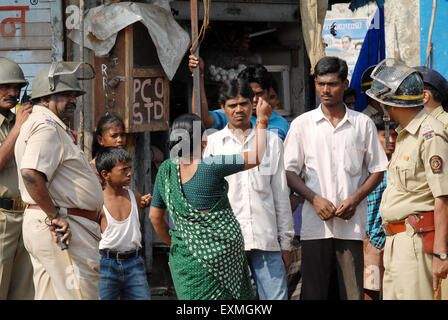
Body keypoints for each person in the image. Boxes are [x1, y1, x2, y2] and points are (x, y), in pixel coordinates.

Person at [284, 56, 388, 300]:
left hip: (351, 228)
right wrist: (313, 198)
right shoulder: (302, 125)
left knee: (352, 293)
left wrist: (355, 199)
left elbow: (378, 169)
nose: (325, 90)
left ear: (345, 83)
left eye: (331, 84)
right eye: (320, 84)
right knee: (314, 293)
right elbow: (289, 171)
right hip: (313, 227)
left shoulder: (362, 124)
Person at [150, 98, 272, 299]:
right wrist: (262, 121)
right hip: (225, 256)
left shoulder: (165, 170)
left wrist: (179, 243)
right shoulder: (211, 166)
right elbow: (255, 157)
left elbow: (155, 218)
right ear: (203, 142)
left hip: (186, 260)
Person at [14, 62, 104, 300]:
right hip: (62, 227)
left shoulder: (42, 123)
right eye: (65, 94)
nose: (73, 100)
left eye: (74, 94)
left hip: (50, 223)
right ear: (45, 97)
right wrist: (55, 216)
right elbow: (30, 173)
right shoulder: (47, 126)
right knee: (79, 295)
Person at [365, 58, 448, 300]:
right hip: (395, 241)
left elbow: (442, 198)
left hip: (416, 241)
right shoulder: (405, 136)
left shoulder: (430, 134)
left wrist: (441, 254)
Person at [204, 79, 294, 300]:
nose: (238, 110)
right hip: (227, 243)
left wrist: (286, 242)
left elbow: (280, 194)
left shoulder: (271, 141)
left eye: (243, 104)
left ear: (252, 105)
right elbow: (206, 197)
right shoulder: (212, 144)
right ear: (222, 108)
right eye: (232, 105)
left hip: (266, 238)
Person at [189, 55, 290, 140]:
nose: (254, 99)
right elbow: (202, 119)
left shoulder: (282, 124)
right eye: (250, 94)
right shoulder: (232, 114)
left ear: (269, 94)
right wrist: (199, 75)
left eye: (259, 94)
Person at [95, 147, 152, 300]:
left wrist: (144, 202)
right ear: (106, 174)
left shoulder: (134, 196)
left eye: (130, 168)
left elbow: (140, 205)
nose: (130, 173)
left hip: (134, 263)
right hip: (106, 265)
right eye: (123, 170)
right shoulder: (98, 202)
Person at [0, 57, 34, 300]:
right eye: (5, 87)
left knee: (25, 291)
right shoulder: (17, 124)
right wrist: (18, 128)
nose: (12, 93)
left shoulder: (18, 120)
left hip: (26, 217)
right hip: (2, 219)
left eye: (17, 88)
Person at [363, 112, 399, 300]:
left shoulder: (400, 163)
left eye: (394, 135)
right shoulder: (367, 167)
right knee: (371, 289)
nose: (391, 140)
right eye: (385, 135)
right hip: (372, 241)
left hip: (397, 239)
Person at [90, 113, 127, 186]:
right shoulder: (94, 169)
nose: (120, 140)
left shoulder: (123, 163)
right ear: (100, 140)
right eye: (114, 136)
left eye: (122, 135)